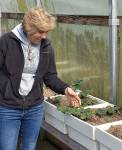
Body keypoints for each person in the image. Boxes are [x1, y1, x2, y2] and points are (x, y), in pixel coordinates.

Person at [0, 7, 81, 150]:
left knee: (29, 146)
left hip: (35, 108)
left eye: (46, 32)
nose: (44, 36)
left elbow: (50, 77)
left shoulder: (46, 47)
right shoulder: (6, 42)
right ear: (28, 28)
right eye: (40, 31)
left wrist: (66, 89)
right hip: (8, 108)